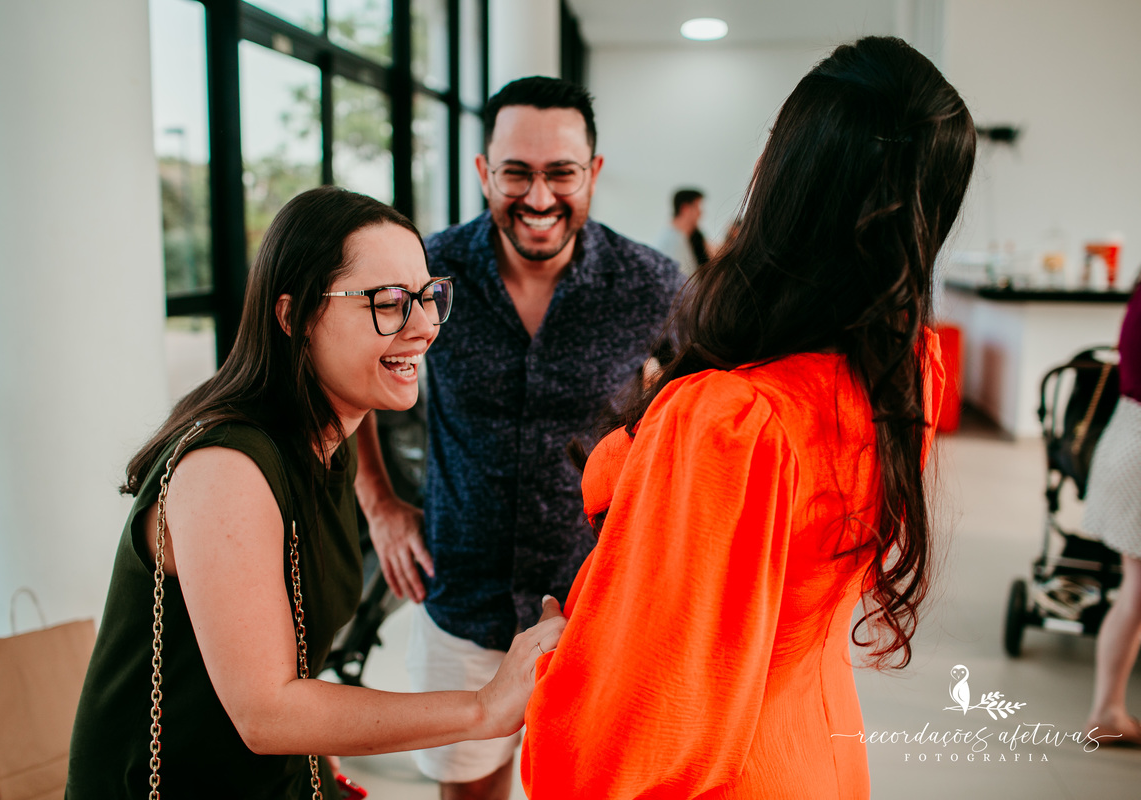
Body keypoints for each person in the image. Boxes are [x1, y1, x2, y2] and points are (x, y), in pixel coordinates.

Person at [521, 36, 976, 799]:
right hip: (817, 749)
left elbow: (629, 731)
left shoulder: (733, 420)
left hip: (728, 774)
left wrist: (559, 656)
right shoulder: (907, 369)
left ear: (789, 177)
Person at [66, 187, 565, 799]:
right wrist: (484, 708)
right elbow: (267, 712)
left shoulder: (332, 435)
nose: (426, 326)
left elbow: (288, 669)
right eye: (388, 302)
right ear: (294, 316)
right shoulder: (226, 468)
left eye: (428, 295)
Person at [353, 76, 681, 799]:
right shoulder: (426, 272)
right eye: (516, 173)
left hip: (601, 602)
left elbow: (702, 415)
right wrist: (378, 502)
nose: (538, 198)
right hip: (460, 592)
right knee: (469, 792)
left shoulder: (652, 284)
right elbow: (348, 374)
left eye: (561, 172)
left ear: (592, 173)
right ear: (483, 172)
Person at [1081, 253, 1141, 747]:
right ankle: (1106, 711)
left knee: (1139, 594)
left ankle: (1107, 710)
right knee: (1139, 595)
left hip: (1131, 437)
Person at [655, 187, 712, 278]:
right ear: (685, 208)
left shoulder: (693, 237)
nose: (700, 213)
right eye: (697, 207)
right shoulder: (671, 241)